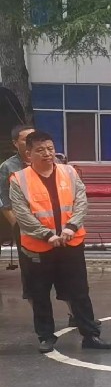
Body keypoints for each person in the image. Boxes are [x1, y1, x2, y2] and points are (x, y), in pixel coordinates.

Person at [9, 131, 111, 353]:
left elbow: (81, 201)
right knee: (40, 294)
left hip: (70, 243)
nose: (47, 153)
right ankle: (46, 336)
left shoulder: (69, 172)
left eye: (50, 148)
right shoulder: (19, 179)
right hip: (38, 247)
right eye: (40, 150)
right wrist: (47, 235)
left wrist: (71, 227)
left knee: (79, 291)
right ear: (29, 154)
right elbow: (22, 214)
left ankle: (90, 335)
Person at [1, 124, 35, 300]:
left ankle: (73, 312)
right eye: (25, 139)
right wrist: (15, 222)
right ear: (15, 143)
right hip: (23, 225)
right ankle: (39, 311)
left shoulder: (50, 162)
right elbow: (3, 198)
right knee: (30, 270)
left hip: (51, 223)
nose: (31, 142)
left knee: (62, 272)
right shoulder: (8, 167)